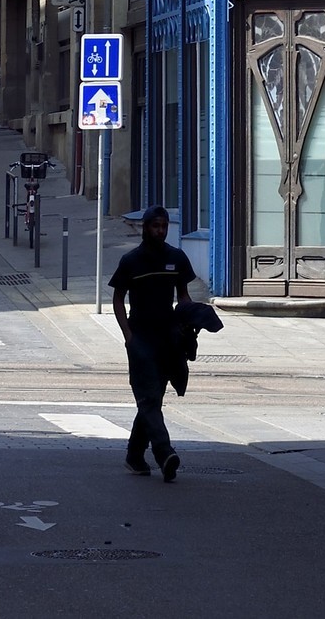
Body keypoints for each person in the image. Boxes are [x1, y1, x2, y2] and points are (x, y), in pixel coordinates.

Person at [110, 205, 195, 481]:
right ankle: (164, 453)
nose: (160, 231)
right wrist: (128, 337)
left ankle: (134, 456)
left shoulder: (176, 258)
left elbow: (183, 295)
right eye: (155, 226)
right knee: (148, 397)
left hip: (167, 337)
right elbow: (118, 299)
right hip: (141, 337)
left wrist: (189, 319)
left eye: (164, 226)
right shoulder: (131, 261)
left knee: (152, 398)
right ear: (146, 228)